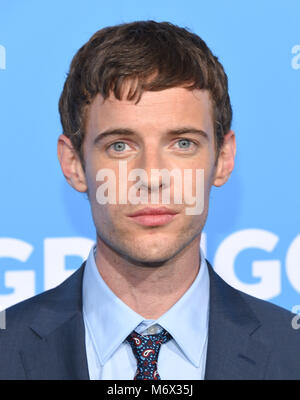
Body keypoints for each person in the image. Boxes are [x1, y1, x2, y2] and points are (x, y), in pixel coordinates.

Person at [0, 20, 299, 380]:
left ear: (223, 159)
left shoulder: (290, 352)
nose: (152, 176)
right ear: (74, 164)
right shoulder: (7, 349)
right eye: (120, 146)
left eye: (183, 143)